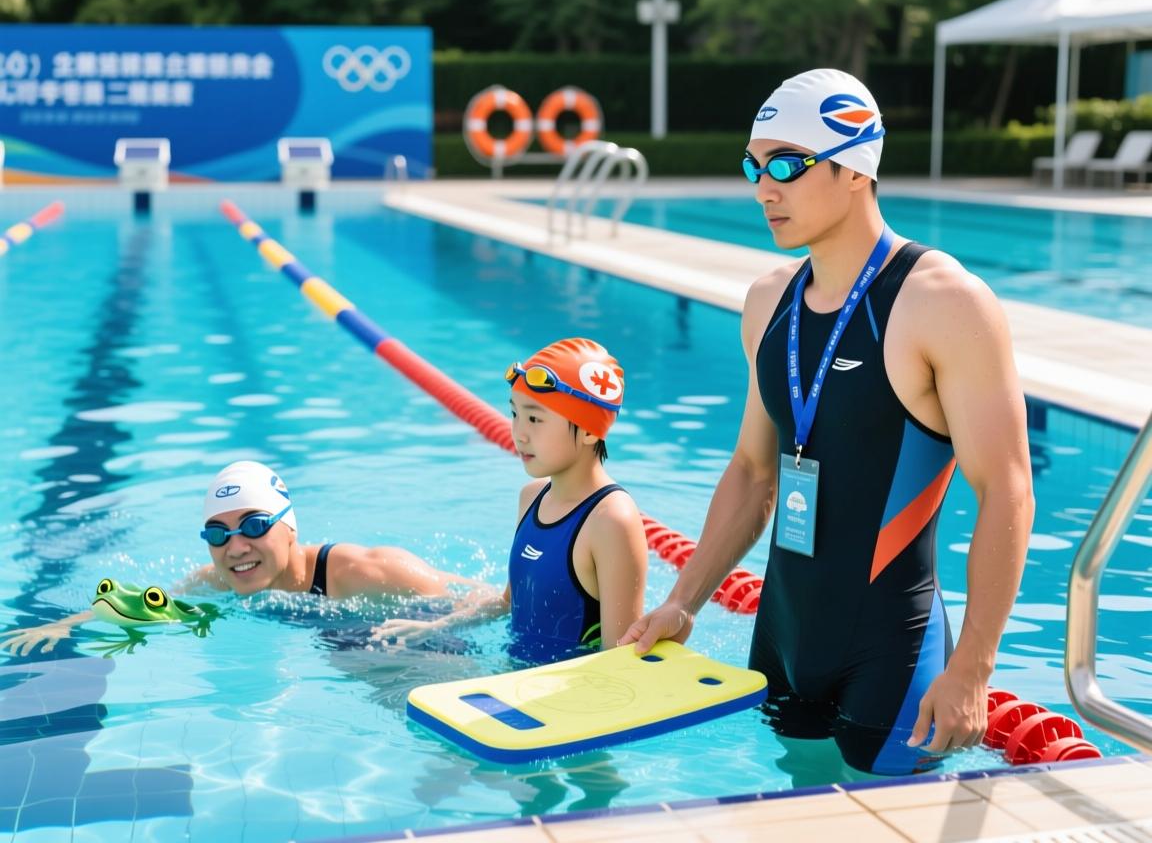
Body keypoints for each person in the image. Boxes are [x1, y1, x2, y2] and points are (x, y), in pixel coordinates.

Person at [620, 69, 1034, 776]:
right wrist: (682, 603)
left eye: (786, 164)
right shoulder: (767, 301)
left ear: (854, 169)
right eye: (753, 165)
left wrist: (972, 669)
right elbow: (753, 472)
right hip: (781, 639)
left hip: (891, 652)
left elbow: (1007, 490)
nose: (763, 189)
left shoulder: (944, 302)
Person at [1, 460, 485, 656]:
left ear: (290, 528)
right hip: (339, 638)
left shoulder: (366, 570)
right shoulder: (216, 579)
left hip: (413, 628)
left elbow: (464, 599)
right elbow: (150, 604)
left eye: (255, 526)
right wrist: (67, 624)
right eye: (218, 533)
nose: (235, 547)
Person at [378, 338, 648, 663]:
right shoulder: (532, 496)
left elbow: (619, 657)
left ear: (590, 430)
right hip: (513, 681)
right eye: (514, 413)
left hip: (565, 702)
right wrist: (436, 626)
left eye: (534, 419)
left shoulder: (612, 520)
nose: (518, 433)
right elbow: (510, 601)